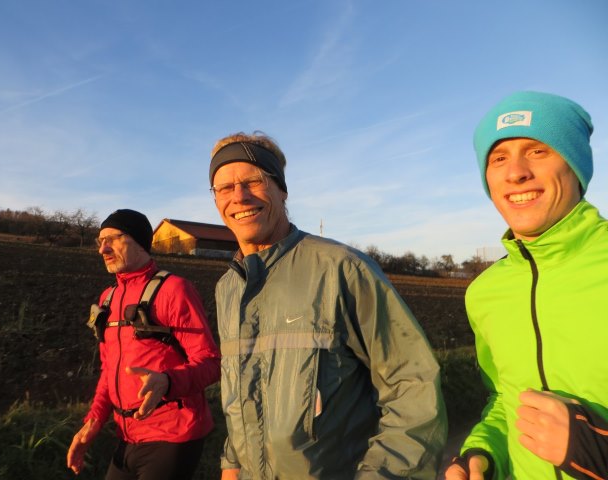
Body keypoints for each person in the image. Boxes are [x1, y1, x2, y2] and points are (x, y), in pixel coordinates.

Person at [208, 132, 447, 479]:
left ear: (281, 189)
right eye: (224, 188)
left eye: (253, 181)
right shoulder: (228, 288)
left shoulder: (342, 268)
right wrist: (231, 463)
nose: (239, 196)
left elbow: (412, 386)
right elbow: (240, 389)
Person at [445, 91, 608, 480]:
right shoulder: (485, 293)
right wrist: (482, 451)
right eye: (499, 158)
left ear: (575, 167)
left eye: (537, 151)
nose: (515, 172)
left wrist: (598, 449)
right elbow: (505, 399)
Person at [67, 209, 221, 480]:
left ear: (139, 241)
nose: (103, 248)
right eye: (99, 241)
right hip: (128, 435)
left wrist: (167, 381)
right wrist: (93, 422)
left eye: (113, 238)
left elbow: (210, 362)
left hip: (173, 434)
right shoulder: (107, 299)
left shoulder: (174, 290)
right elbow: (108, 369)